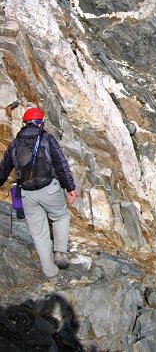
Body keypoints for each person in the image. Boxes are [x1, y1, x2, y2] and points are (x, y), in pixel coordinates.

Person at [0, 108, 77, 278]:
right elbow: (60, 163)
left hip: (27, 193)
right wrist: (69, 187)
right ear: (41, 122)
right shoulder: (46, 138)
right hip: (49, 188)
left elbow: (3, 170)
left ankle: (50, 272)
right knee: (61, 217)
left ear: (25, 124)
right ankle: (60, 252)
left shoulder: (14, 144)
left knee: (38, 233)